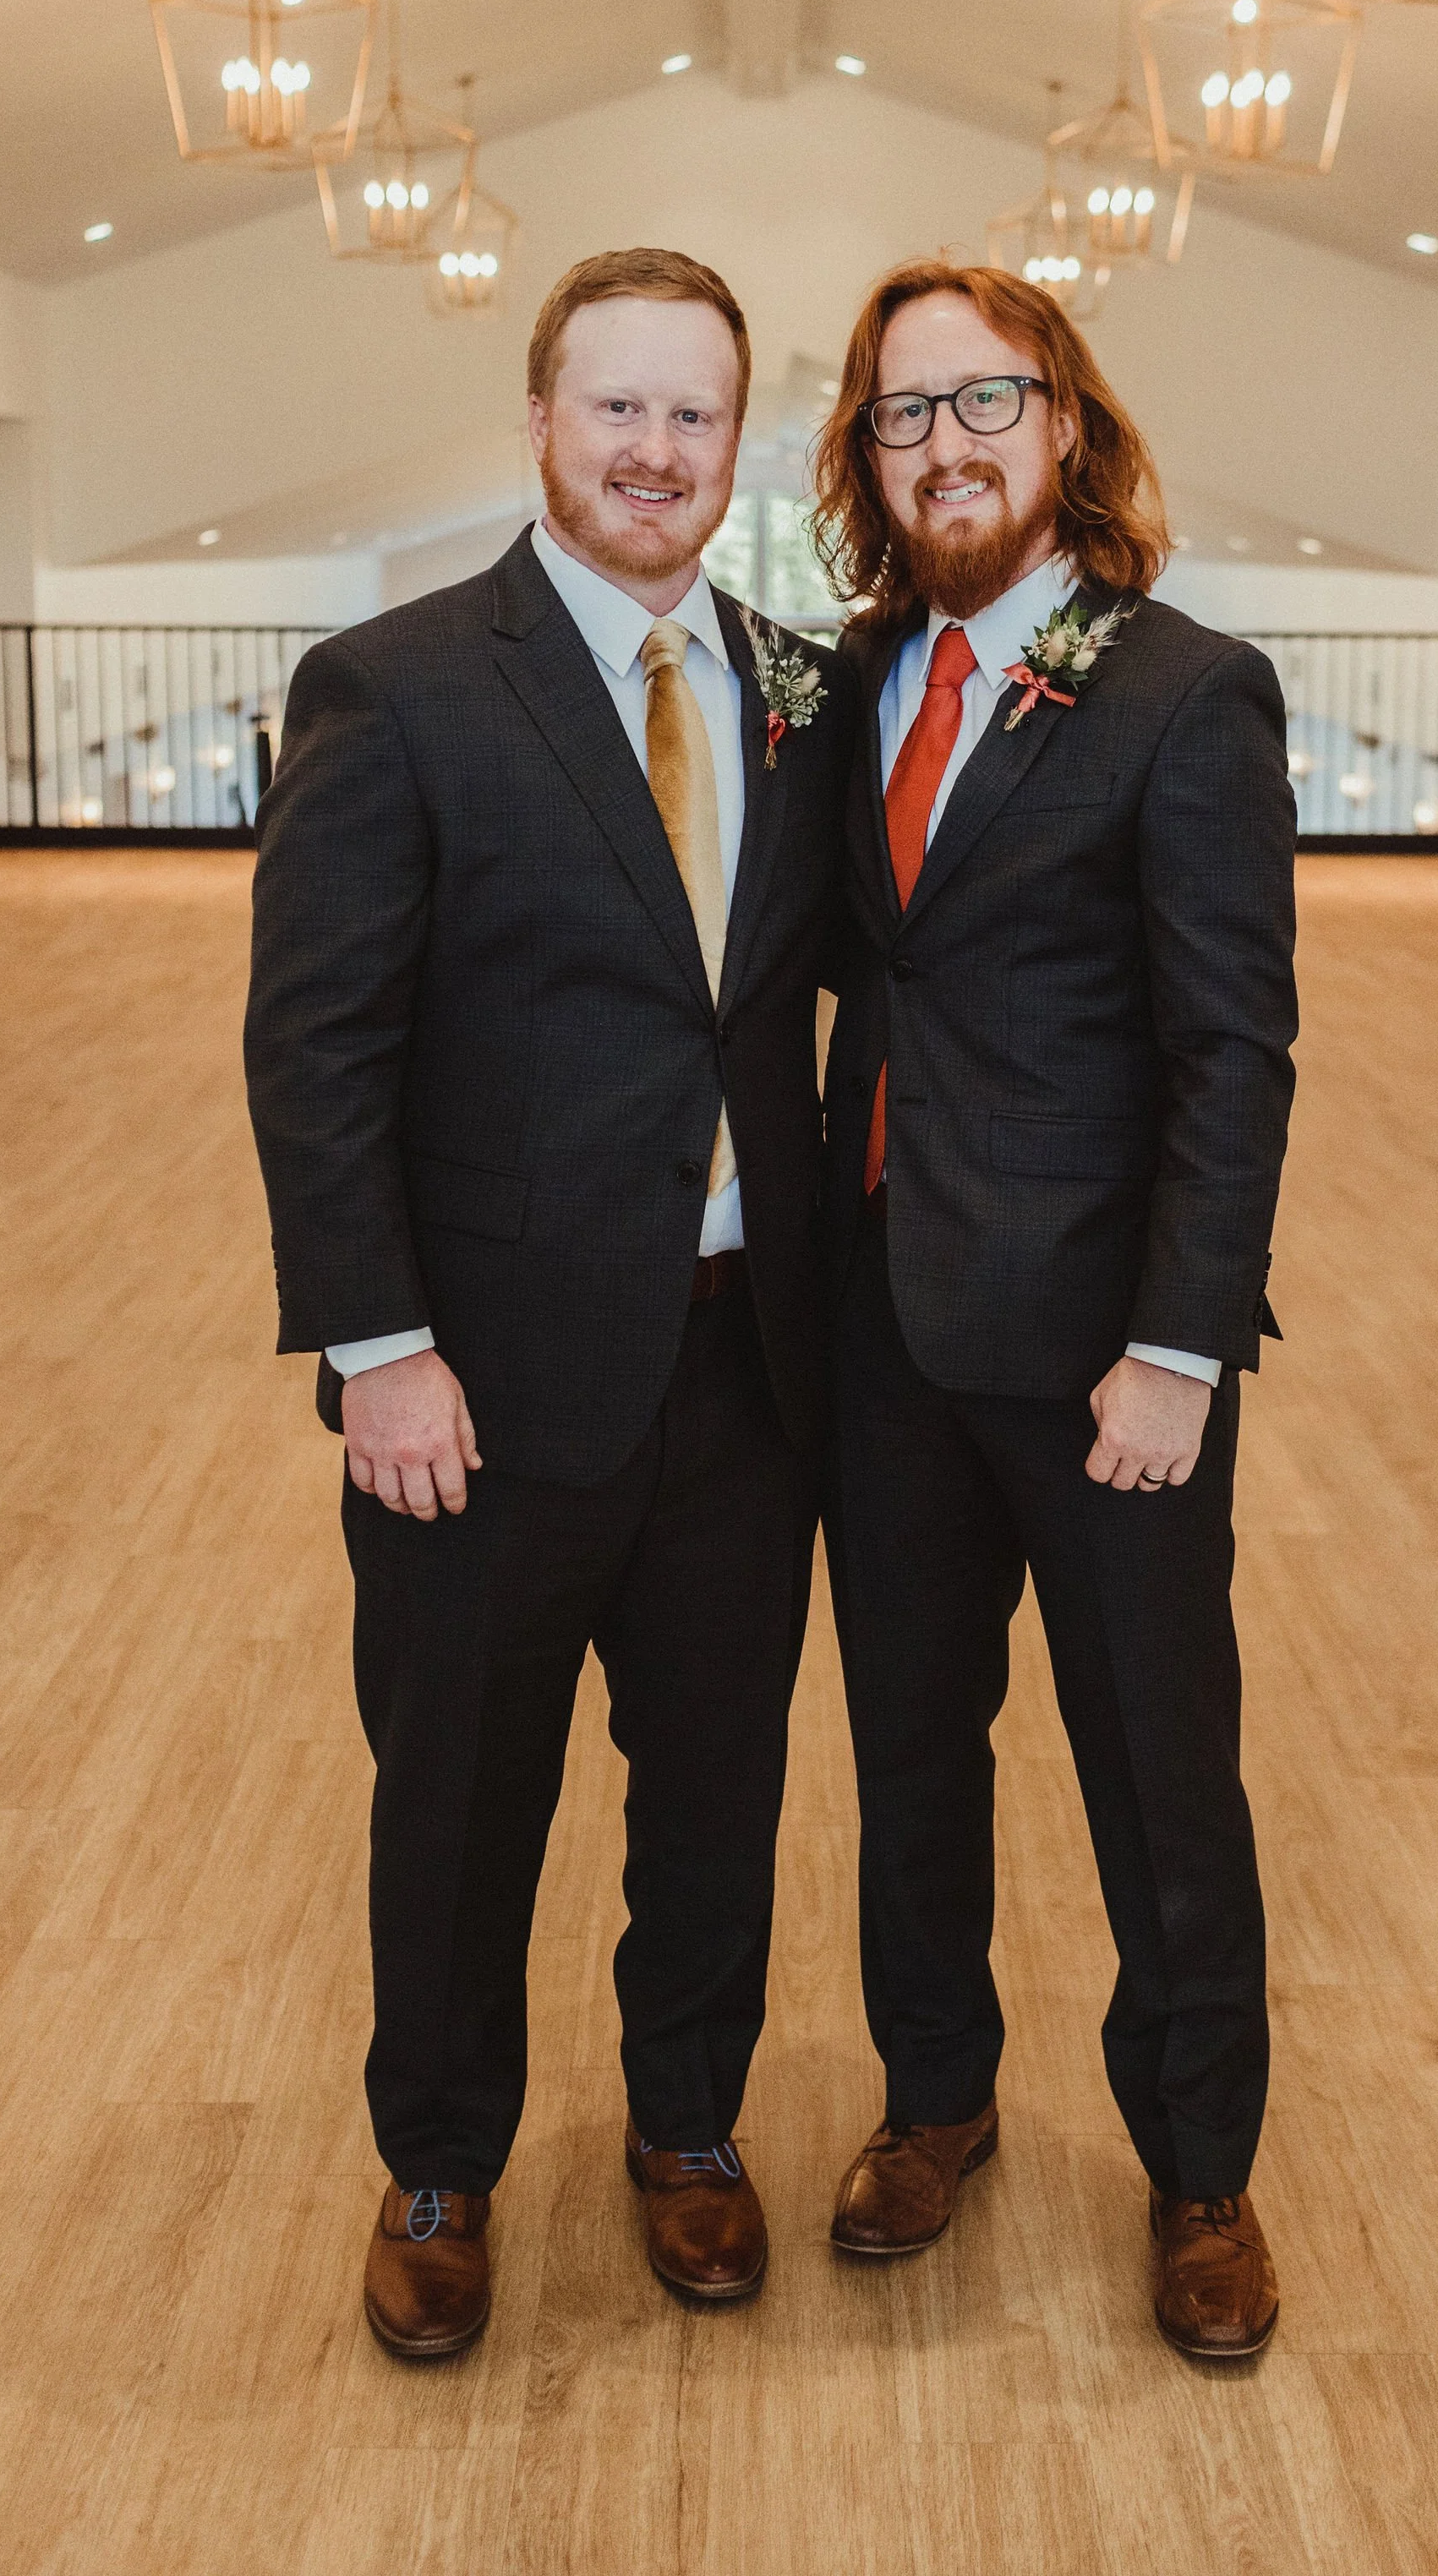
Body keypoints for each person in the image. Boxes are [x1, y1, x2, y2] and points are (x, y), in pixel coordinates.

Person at [244, 247, 852, 2359]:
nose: (659, 452)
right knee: (460, 1795)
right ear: (540, 421)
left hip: (749, 1370)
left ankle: (687, 2133)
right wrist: (378, 1352)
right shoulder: (398, 684)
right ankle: (439, 2167)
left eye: (698, 415)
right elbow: (315, 1051)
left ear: (733, 441)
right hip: (480, 1391)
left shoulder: (802, 681)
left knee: (716, 1793)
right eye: (621, 407)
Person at [811, 258, 1298, 2360]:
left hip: (1111, 1372)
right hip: (884, 1341)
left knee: (1156, 1777)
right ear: (869, 457)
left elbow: (1234, 1053)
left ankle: (1201, 2169)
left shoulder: (1182, 690)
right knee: (912, 1753)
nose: (948, 444)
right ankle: (936, 2101)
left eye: (984, 400)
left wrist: (1180, 1350)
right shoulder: (851, 685)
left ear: (1066, 427)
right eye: (905, 413)